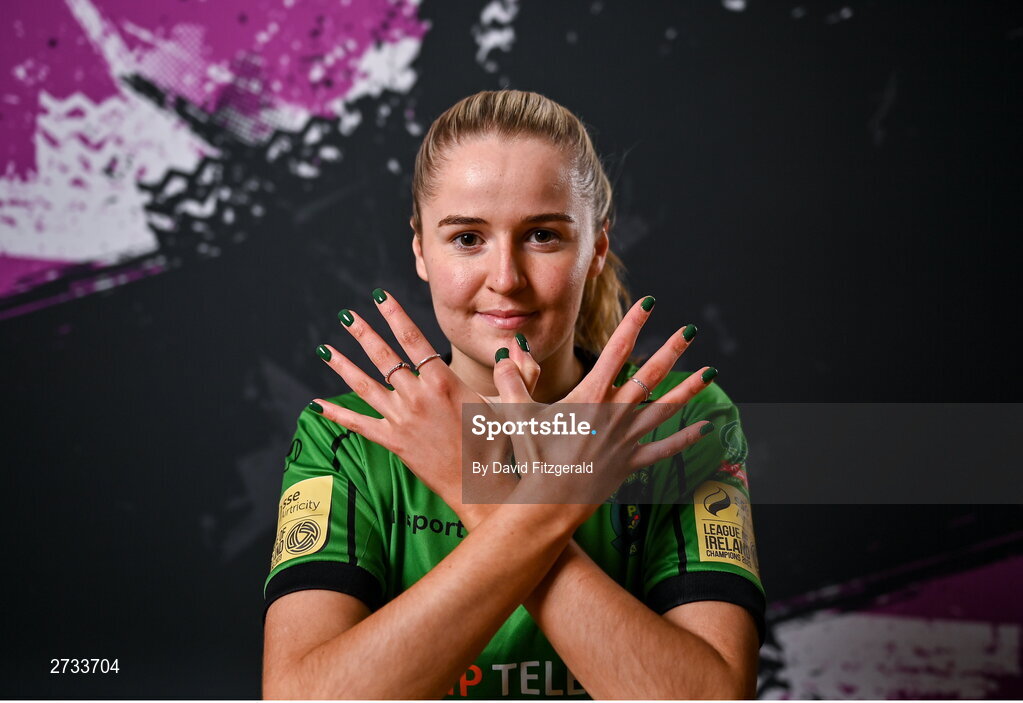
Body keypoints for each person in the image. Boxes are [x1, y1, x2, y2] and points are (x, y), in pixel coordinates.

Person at [262, 89, 764, 699]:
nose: (505, 279)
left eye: (543, 236)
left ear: (597, 248)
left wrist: (481, 487)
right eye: (467, 238)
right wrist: (538, 502)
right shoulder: (345, 436)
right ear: (421, 249)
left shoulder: (682, 423)